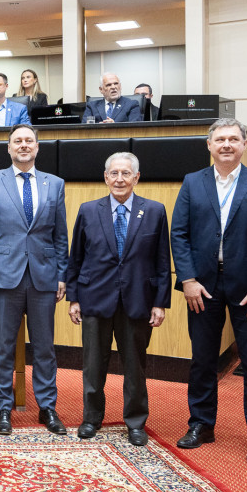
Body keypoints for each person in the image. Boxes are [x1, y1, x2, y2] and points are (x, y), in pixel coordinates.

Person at [171, 118, 247, 466]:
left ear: (244, 145)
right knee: (202, 360)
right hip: (202, 287)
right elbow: (179, 234)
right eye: (220, 139)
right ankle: (201, 425)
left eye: (233, 139)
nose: (226, 144)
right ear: (209, 144)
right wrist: (187, 279)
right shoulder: (193, 183)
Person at [65, 152, 171, 447]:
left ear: (136, 178)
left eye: (126, 173)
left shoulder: (154, 211)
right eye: (114, 173)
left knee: (135, 365)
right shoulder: (88, 210)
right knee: (93, 364)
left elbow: (163, 261)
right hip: (94, 298)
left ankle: (136, 422)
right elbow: (76, 258)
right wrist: (73, 298)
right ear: (106, 177)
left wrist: (160, 302)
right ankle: (91, 418)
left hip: (138, 300)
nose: (120, 179)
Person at [0, 124, 69, 436]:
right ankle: (3, 407)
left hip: (44, 276)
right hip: (5, 276)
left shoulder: (54, 184)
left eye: (29, 140)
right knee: (3, 346)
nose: (23, 145)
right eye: (17, 141)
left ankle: (47, 407)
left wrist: (62, 274)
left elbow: (61, 235)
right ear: (9, 148)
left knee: (44, 347)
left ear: (37, 147)